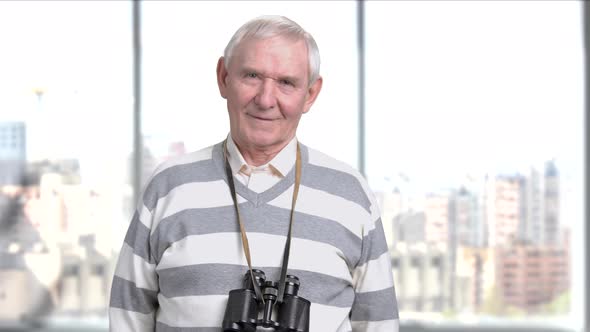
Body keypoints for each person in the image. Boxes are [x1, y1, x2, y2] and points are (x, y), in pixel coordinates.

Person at [109, 15, 399, 331]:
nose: (265, 100)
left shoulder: (350, 194)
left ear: (311, 94)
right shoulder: (168, 187)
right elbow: (128, 317)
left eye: (286, 82)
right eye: (251, 76)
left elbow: (379, 324)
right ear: (223, 77)